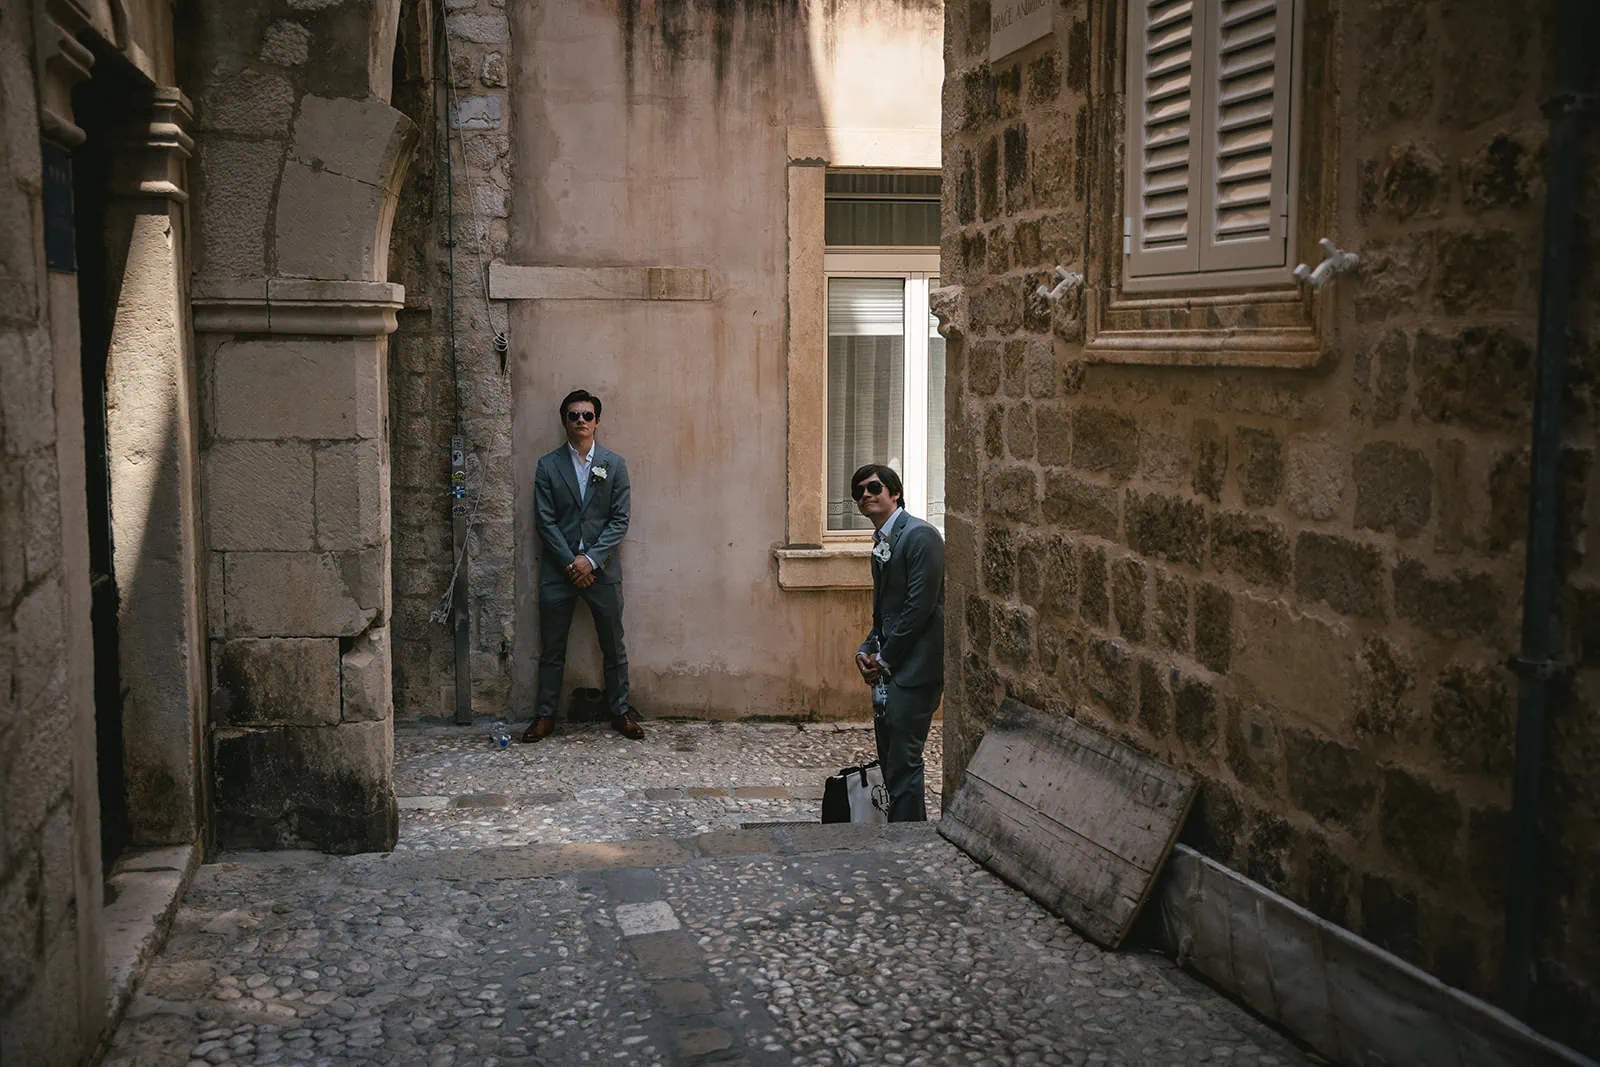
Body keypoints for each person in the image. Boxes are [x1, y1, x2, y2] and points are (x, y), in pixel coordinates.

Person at [524, 389, 644, 742]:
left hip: (602, 570)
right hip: (558, 571)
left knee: (613, 645)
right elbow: (544, 521)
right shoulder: (547, 466)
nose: (581, 421)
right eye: (574, 415)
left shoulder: (613, 464)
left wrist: (590, 561)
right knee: (552, 647)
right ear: (565, 421)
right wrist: (570, 563)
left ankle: (620, 711)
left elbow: (619, 520)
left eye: (587, 415)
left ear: (597, 422)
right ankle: (545, 716)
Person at [852, 463, 944, 821]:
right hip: (889, 672)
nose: (865, 496)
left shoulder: (921, 536)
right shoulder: (883, 541)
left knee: (904, 762)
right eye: (858, 492)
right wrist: (865, 649)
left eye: (874, 488)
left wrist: (884, 658)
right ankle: (903, 833)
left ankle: (907, 842)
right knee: (892, 762)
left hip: (915, 670)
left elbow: (918, 609)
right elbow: (884, 614)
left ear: (895, 493)